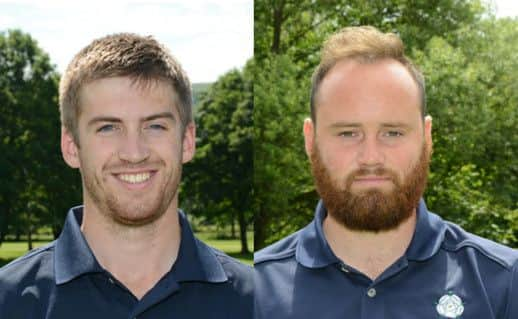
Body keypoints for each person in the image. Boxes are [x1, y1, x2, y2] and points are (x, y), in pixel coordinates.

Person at [254, 26, 517, 319]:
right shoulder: (254, 292)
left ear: (427, 138)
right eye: (347, 133)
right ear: (310, 139)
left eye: (392, 132)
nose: (371, 157)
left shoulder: (504, 283)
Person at [0, 33, 252, 318]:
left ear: (187, 142)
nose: (134, 153)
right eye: (108, 127)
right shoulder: (8, 300)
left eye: (155, 126)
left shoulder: (255, 301)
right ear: (71, 147)